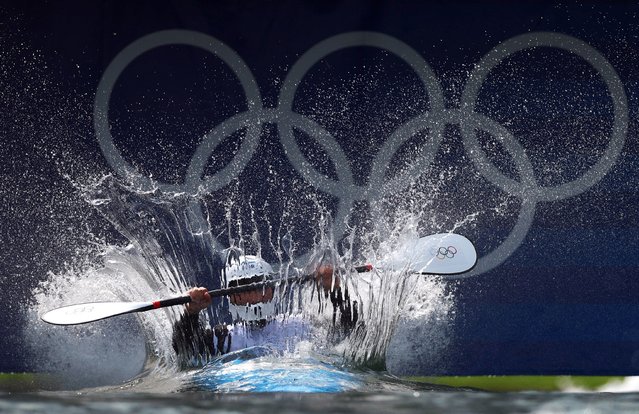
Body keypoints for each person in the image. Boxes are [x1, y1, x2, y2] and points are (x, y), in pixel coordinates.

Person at [172, 250, 359, 364]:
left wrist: (334, 291)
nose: (253, 296)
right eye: (243, 288)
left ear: (271, 291)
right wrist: (191, 312)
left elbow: (352, 331)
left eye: (258, 286)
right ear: (231, 297)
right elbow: (183, 350)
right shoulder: (221, 338)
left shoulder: (302, 324)